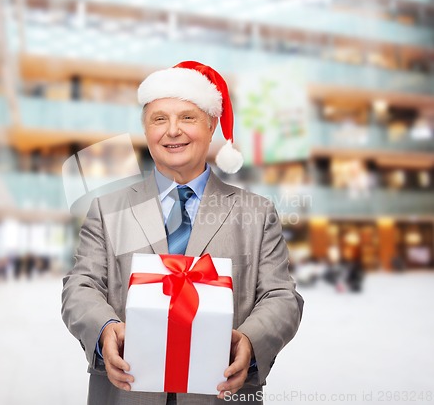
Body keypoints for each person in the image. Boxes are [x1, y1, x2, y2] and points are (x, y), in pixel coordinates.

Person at [62, 61, 304, 405]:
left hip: (221, 393)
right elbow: (80, 285)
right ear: (146, 131)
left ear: (211, 125)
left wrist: (250, 340)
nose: (172, 131)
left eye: (187, 117)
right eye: (159, 119)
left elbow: (281, 296)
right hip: (127, 391)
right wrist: (104, 330)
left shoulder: (257, 212)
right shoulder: (107, 210)